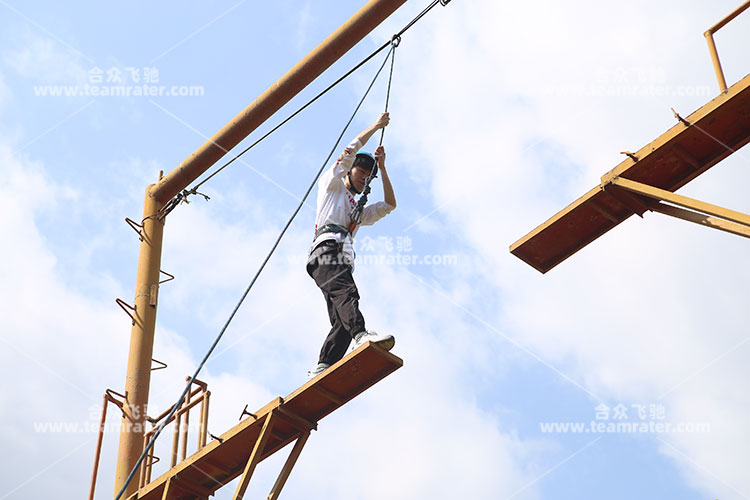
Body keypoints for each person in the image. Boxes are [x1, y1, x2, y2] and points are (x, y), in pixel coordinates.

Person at [306, 112, 397, 378]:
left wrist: (384, 169)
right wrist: (376, 127)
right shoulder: (332, 185)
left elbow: (390, 205)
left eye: (370, 176)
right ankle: (361, 335)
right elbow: (350, 149)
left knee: (341, 320)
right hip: (326, 252)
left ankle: (324, 365)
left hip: (335, 260)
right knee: (349, 296)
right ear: (350, 169)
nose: (365, 178)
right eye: (362, 171)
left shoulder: (357, 209)